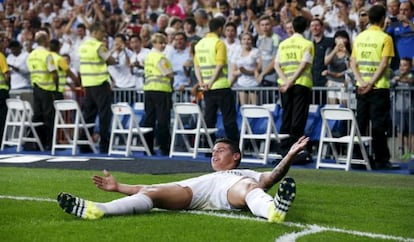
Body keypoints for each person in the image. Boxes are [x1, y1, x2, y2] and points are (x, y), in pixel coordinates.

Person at [57, 136, 309, 223]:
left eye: (220, 150)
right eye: (212, 151)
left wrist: (288, 156)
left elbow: (273, 176)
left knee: (250, 187)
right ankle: (98, 210)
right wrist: (118, 187)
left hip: (231, 191)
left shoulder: (246, 174)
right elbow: (146, 186)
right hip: (195, 192)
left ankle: (273, 209)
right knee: (153, 192)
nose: (214, 153)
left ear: (235, 156)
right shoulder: (204, 175)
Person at [350, 5, 399, 170]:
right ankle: (381, 159)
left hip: (360, 87)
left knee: (361, 123)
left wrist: (361, 82)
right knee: (379, 124)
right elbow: (384, 64)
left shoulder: (359, 37)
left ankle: (359, 157)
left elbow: (353, 63)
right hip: (379, 87)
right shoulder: (386, 38)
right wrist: (371, 83)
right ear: (382, 18)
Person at [274, 16, 314, 162]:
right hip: (300, 84)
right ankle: (296, 149)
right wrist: (291, 82)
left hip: (284, 86)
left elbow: (276, 64)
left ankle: (284, 148)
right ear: (306, 27)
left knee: (286, 116)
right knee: (298, 118)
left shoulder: (283, 44)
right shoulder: (307, 43)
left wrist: (285, 81)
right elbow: (304, 65)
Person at [194, 17, 239, 144]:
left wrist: (202, 82)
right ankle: (234, 147)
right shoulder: (219, 43)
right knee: (229, 119)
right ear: (220, 28)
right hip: (221, 86)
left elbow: (196, 66)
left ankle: (209, 148)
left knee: (209, 119)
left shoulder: (199, 44)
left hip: (207, 88)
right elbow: (219, 66)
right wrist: (211, 82)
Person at [78, 22, 117, 154]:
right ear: (95, 32)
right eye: (102, 32)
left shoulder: (82, 46)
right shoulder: (98, 46)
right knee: (104, 114)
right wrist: (113, 55)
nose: (103, 34)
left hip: (88, 84)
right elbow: (111, 60)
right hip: (100, 83)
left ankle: (83, 144)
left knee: (89, 115)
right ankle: (104, 145)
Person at [142, 33, 174, 156]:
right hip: (161, 90)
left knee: (149, 119)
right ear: (154, 43)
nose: (163, 45)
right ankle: (164, 147)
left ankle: (147, 147)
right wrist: (172, 73)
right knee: (162, 120)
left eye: (164, 43)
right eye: (161, 43)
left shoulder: (148, 56)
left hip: (149, 90)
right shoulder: (160, 57)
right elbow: (168, 73)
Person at [27, 31, 59, 150]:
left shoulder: (31, 55)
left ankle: (38, 143)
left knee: (38, 116)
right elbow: (54, 73)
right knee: (49, 117)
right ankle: (51, 144)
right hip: (47, 88)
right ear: (45, 41)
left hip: (36, 87)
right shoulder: (47, 55)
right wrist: (56, 88)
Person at [391, 57, 414, 160]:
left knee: (411, 133)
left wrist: (400, 79)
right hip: (398, 108)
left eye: (405, 65)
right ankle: (404, 152)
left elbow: (411, 81)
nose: (402, 67)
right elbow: (390, 84)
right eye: (401, 65)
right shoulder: (395, 74)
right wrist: (394, 80)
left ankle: (412, 153)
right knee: (401, 132)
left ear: (410, 66)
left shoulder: (411, 75)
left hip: (410, 109)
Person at [230, 32, 262, 105]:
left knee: (254, 108)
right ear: (241, 41)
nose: (246, 41)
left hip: (254, 83)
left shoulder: (256, 51)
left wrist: (247, 71)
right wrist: (241, 71)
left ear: (252, 41)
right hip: (242, 83)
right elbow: (233, 72)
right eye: (244, 39)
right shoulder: (236, 53)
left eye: (248, 39)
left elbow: (259, 68)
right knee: (244, 107)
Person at [323, 30, 352, 107]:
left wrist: (346, 53)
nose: (341, 40)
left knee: (344, 106)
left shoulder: (349, 52)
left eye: (343, 38)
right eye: (338, 38)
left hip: (344, 83)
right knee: (333, 106)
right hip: (332, 82)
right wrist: (334, 51)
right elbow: (326, 62)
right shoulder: (330, 50)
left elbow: (350, 68)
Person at [309, 18, 333, 105]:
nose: (314, 28)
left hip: (326, 83)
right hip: (312, 84)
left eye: (317, 25)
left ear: (322, 28)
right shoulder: (309, 45)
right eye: (312, 26)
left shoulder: (330, 42)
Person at [0, 37, 10, 147]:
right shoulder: (1, 56)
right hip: (1, 90)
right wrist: (8, 84)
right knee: (2, 118)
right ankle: (2, 141)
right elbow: (6, 74)